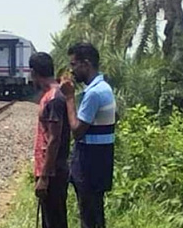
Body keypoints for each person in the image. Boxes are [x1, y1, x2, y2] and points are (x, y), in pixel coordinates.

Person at [60, 43, 116, 228]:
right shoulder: (105, 88)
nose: (72, 70)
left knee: (89, 218)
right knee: (95, 216)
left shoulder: (93, 93)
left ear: (86, 64)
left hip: (90, 163)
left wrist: (69, 97)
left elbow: (77, 131)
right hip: (101, 160)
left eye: (74, 64)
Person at [30, 52, 70, 228]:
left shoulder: (53, 99)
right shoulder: (52, 96)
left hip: (53, 172)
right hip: (50, 170)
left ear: (34, 73)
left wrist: (44, 177)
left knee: (55, 221)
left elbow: (54, 139)